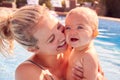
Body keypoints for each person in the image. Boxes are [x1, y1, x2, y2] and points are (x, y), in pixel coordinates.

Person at [0, 5, 70, 80]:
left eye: (59, 27)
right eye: (51, 39)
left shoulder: (76, 45)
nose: (62, 36)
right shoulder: (27, 72)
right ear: (33, 49)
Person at [65, 7, 106, 80]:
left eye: (80, 27)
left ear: (94, 34)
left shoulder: (88, 55)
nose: (72, 32)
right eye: (68, 28)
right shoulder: (77, 48)